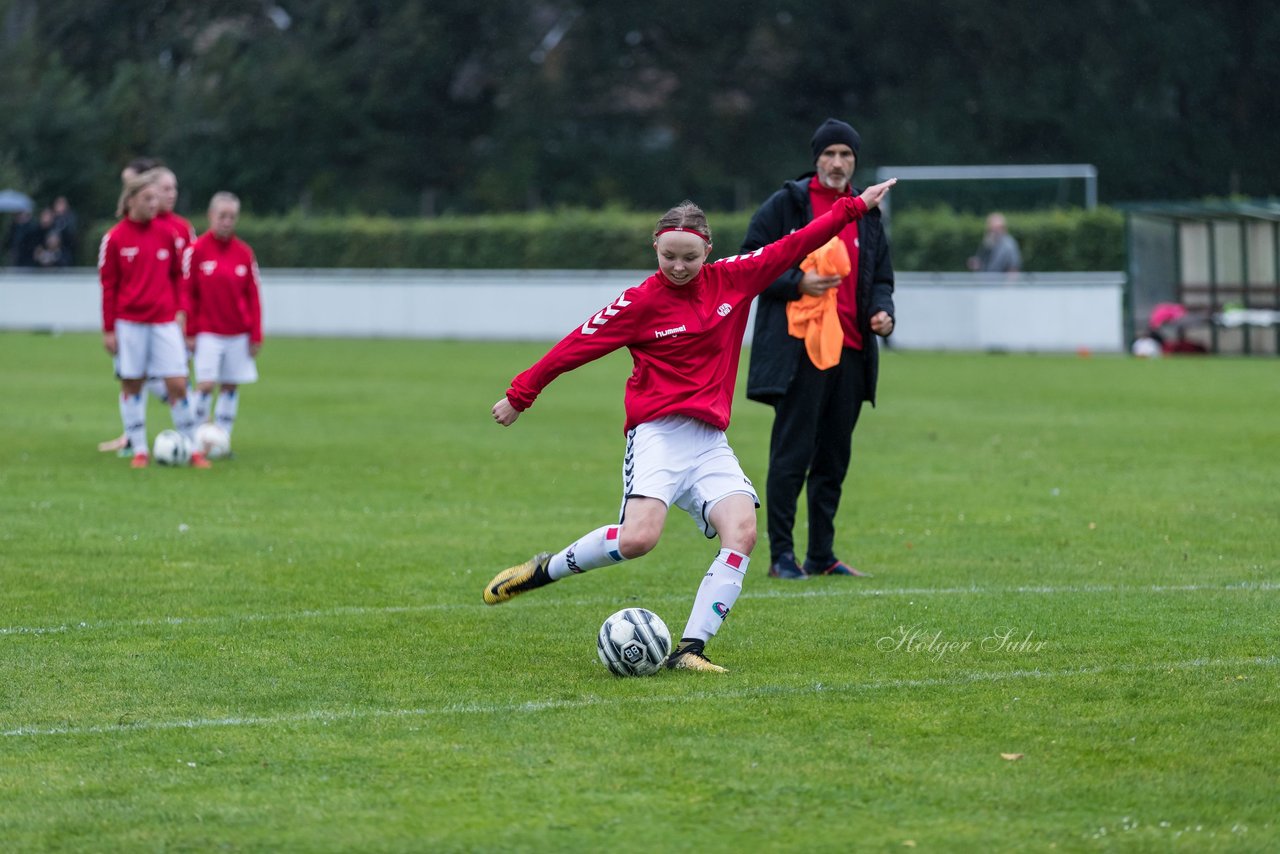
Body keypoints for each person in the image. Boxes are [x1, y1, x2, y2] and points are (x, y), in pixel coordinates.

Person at [482, 176, 898, 673]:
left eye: (689, 258)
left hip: (709, 441)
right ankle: (543, 570)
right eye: (668, 257)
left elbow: (796, 243)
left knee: (742, 531)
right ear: (655, 249)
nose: (678, 267)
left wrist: (853, 207)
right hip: (656, 433)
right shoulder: (639, 303)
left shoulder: (735, 278)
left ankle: (691, 650)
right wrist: (520, 394)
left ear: (707, 252)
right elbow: (576, 344)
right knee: (639, 540)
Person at [743, 117, 897, 580]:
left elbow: (882, 276)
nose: (836, 162)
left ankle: (821, 556)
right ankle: (782, 558)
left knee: (833, 459)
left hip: (851, 351)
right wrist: (797, 282)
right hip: (800, 351)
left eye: (845, 155)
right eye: (829, 154)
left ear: (855, 161)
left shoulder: (865, 212)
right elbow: (749, 261)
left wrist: (882, 312)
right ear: (816, 159)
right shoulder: (787, 205)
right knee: (791, 456)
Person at [98, 169, 210, 469]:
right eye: (148, 198)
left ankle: (191, 448)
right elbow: (108, 286)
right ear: (131, 200)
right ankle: (139, 450)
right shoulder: (114, 238)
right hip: (129, 323)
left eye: (156, 197)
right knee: (132, 383)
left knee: (177, 383)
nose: (154, 203)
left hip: (163, 322)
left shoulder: (168, 234)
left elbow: (179, 276)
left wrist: (180, 311)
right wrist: (109, 329)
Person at [186, 192, 263, 440]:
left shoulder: (244, 253)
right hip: (208, 331)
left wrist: (256, 334)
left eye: (232, 216)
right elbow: (188, 294)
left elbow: (253, 296)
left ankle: (222, 437)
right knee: (206, 384)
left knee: (230, 385)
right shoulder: (197, 250)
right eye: (222, 216)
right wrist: (190, 331)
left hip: (238, 332)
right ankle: (197, 435)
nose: (227, 221)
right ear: (211, 216)